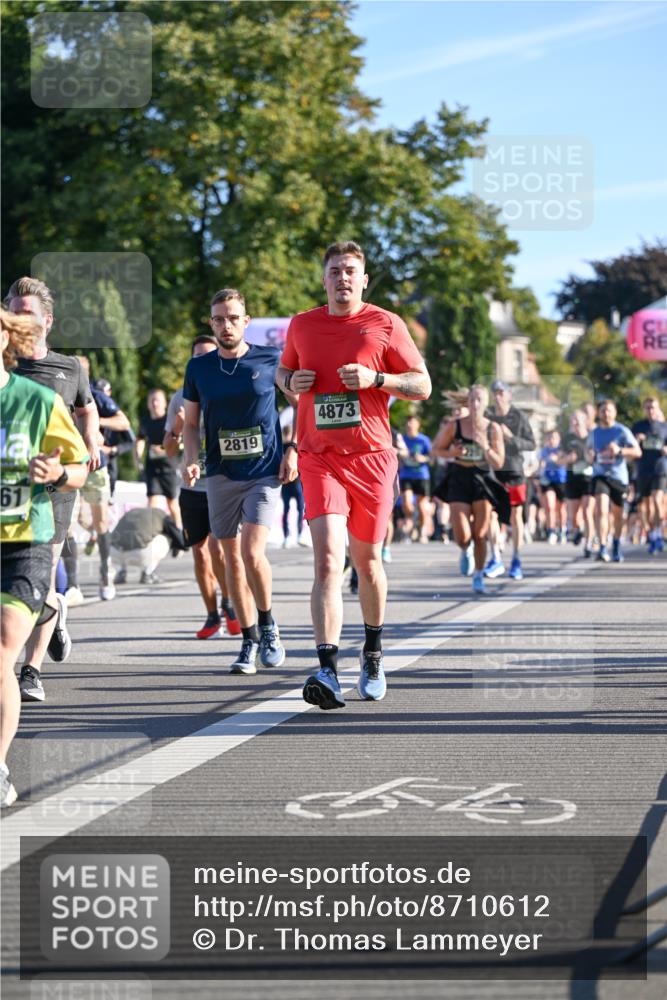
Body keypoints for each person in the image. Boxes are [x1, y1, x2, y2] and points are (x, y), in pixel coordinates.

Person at [277, 240, 431, 710]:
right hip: (319, 456)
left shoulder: (386, 324)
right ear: (323, 279)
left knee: (367, 563)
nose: (342, 277)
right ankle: (326, 667)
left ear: (363, 280)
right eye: (334, 270)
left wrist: (378, 380)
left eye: (350, 271)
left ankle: (373, 651)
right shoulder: (302, 325)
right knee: (327, 560)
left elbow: (422, 385)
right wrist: (291, 383)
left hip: (372, 457)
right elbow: (284, 376)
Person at [183, 288, 298, 674]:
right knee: (228, 557)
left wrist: (294, 448)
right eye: (218, 319)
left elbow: (302, 405)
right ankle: (248, 639)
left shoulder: (270, 360)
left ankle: (268, 625)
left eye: (233, 317)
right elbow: (191, 423)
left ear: (246, 322)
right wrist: (190, 459)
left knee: (251, 552)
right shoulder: (199, 368)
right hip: (219, 472)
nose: (226, 325)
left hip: (263, 471)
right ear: (211, 323)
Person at [0, 308, 89, 806]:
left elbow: (77, 468)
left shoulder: (34, 400)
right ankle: (53, 611)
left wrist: (55, 474)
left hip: (24, 542)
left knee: (0, 653)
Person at [5, 276, 100, 703]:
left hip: (53, 490)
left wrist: (91, 442)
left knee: (41, 580)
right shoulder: (4, 369)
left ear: (47, 321)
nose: (18, 319)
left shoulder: (70, 367)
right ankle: (53, 611)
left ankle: (30, 669)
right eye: (12, 310)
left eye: (27, 312)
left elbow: (88, 407)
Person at [163, 334, 241, 639]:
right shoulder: (179, 397)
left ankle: (230, 603)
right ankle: (212, 615)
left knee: (220, 552)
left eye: (209, 355)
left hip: (225, 483)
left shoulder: (230, 390)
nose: (203, 361)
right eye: (198, 357)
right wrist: (178, 430)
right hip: (192, 485)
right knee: (199, 552)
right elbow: (169, 448)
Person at [432, 386, 506, 594]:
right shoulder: (454, 426)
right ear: (467, 402)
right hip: (459, 477)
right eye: (472, 400)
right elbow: (436, 449)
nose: (475, 405)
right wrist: (453, 452)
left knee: (480, 533)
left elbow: (499, 462)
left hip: (482, 479)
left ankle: (478, 575)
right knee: (463, 534)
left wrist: (485, 447)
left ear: (486, 403)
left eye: (479, 400)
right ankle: (465, 549)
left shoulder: (493, 428)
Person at [76, 356, 131, 600]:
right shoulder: (60, 393)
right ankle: (71, 584)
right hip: (68, 466)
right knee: (71, 524)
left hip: (96, 467)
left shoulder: (97, 397)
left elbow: (123, 421)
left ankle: (105, 573)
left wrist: (94, 423)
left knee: (100, 523)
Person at [485, 380, 536, 581]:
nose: (497, 396)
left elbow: (531, 444)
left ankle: (516, 559)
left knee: (516, 516)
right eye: (494, 392)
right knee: (490, 514)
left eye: (500, 392)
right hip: (492, 470)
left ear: (509, 395)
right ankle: (496, 557)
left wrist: (510, 437)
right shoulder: (487, 415)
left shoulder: (519, 416)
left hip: (514, 470)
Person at [589, 399, 641, 562]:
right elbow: (587, 451)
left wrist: (620, 450)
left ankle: (617, 544)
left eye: (609, 410)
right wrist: (589, 456)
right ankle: (603, 546)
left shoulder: (622, 431)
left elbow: (637, 452)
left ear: (615, 413)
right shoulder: (594, 432)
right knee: (602, 509)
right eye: (603, 410)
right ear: (599, 413)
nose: (606, 413)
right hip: (600, 475)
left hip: (618, 477)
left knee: (618, 515)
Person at [136, 389, 182, 528]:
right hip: (152, 468)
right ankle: (150, 535)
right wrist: (137, 457)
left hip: (170, 468)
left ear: (164, 403)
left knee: (172, 505)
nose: (155, 403)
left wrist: (162, 449)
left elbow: (181, 442)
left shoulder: (170, 420)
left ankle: (179, 536)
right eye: (152, 400)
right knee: (152, 504)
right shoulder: (145, 421)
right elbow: (140, 439)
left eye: (157, 400)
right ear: (148, 404)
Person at [110, 507, 185, 582]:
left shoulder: (131, 512)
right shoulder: (161, 514)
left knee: (120, 538)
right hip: (140, 553)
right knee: (165, 538)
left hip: (114, 553)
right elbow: (176, 534)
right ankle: (148, 573)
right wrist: (181, 548)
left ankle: (120, 572)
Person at [631, 397, 667, 554]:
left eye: (653, 407)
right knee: (645, 506)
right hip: (643, 469)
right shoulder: (638, 426)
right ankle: (652, 534)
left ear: (658, 408)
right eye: (647, 408)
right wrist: (637, 441)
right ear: (644, 409)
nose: (650, 410)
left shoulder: (664, 427)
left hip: (659, 469)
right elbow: (629, 447)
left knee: (657, 501)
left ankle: (658, 533)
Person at [561, 409, 595, 555]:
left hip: (589, 478)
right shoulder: (567, 438)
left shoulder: (592, 437)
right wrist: (567, 459)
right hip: (572, 477)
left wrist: (591, 458)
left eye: (577, 419)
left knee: (588, 511)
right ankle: (579, 529)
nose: (574, 422)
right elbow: (560, 459)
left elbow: (597, 457)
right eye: (572, 419)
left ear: (585, 421)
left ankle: (588, 543)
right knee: (573, 516)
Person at [398, 415, 433, 543]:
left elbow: (432, 457)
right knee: (406, 503)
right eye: (408, 423)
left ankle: (421, 529)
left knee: (422, 506)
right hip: (406, 475)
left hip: (421, 475)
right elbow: (396, 453)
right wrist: (400, 455)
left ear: (418, 424)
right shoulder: (402, 439)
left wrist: (423, 458)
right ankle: (412, 520)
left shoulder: (424, 440)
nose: (409, 425)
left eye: (412, 423)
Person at [538, 429, 567, 544]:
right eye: (549, 438)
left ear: (558, 440)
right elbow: (540, 464)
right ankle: (551, 531)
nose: (551, 440)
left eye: (554, 438)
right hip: (547, 481)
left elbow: (565, 461)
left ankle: (562, 529)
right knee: (550, 506)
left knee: (561, 508)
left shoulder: (561, 450)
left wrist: (558, 460)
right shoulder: (543, 451)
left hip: (561, 480)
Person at [280, 424, 306, 547]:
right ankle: (294, 535)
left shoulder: (282, 447)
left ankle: (290, 536)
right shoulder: (293, 447)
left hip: (289, 483)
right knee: (296, 510)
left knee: (291, 510)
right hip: (294, 483)